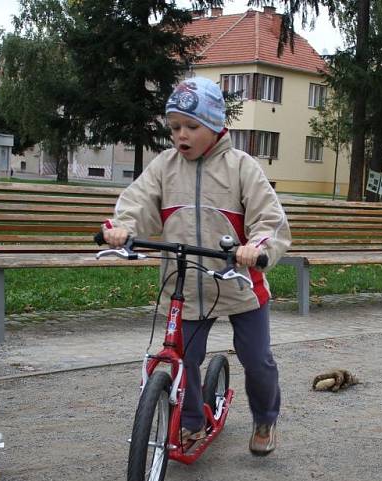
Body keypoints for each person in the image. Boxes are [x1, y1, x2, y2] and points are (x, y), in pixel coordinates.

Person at [102, 77, 292, 456]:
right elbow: (137, 201)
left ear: (216, 125)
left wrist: (256, 247)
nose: (181, 136)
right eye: (174, 128)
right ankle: (191, 421)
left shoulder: (241, 167)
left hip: (238, 280)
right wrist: (123, 227)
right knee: (182, 357)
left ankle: (265, 417)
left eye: (191, 126)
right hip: (186, 281)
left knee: (256, 358)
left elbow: (269, 219)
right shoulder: (165, 166)